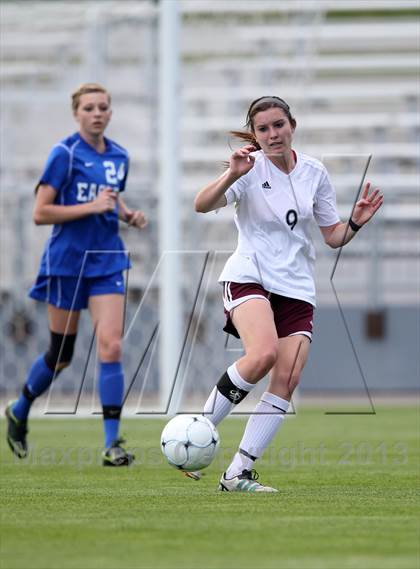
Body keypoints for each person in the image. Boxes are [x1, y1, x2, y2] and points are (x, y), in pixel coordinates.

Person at [194, 96, 383, 492]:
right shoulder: (247, 168)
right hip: (250, 276)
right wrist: (231, 175)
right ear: (255, 133)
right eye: (262, 128)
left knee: (287, 376)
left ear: (292, 124)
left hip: (296, 287)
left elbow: (333, 237)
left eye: (278, 125)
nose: (271, 134)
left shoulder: (314, 171)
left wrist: (356, 222)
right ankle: (197, 431)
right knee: (261, 355)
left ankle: (237, 473)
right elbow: (202, 204)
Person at [5, 83, 147, 466]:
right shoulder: (64, 153)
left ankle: (111, 444)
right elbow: (40, 212)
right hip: (67, 263)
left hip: (107, 261)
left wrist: (126, 214)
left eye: (103, 107)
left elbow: (110, 197)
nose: (97, 113)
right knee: (61, 355)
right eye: (89, 107)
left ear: (111, 113)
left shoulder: (119, 156)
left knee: (111, 346)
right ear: (76, 113)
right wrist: (90, 206)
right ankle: (20, 409)